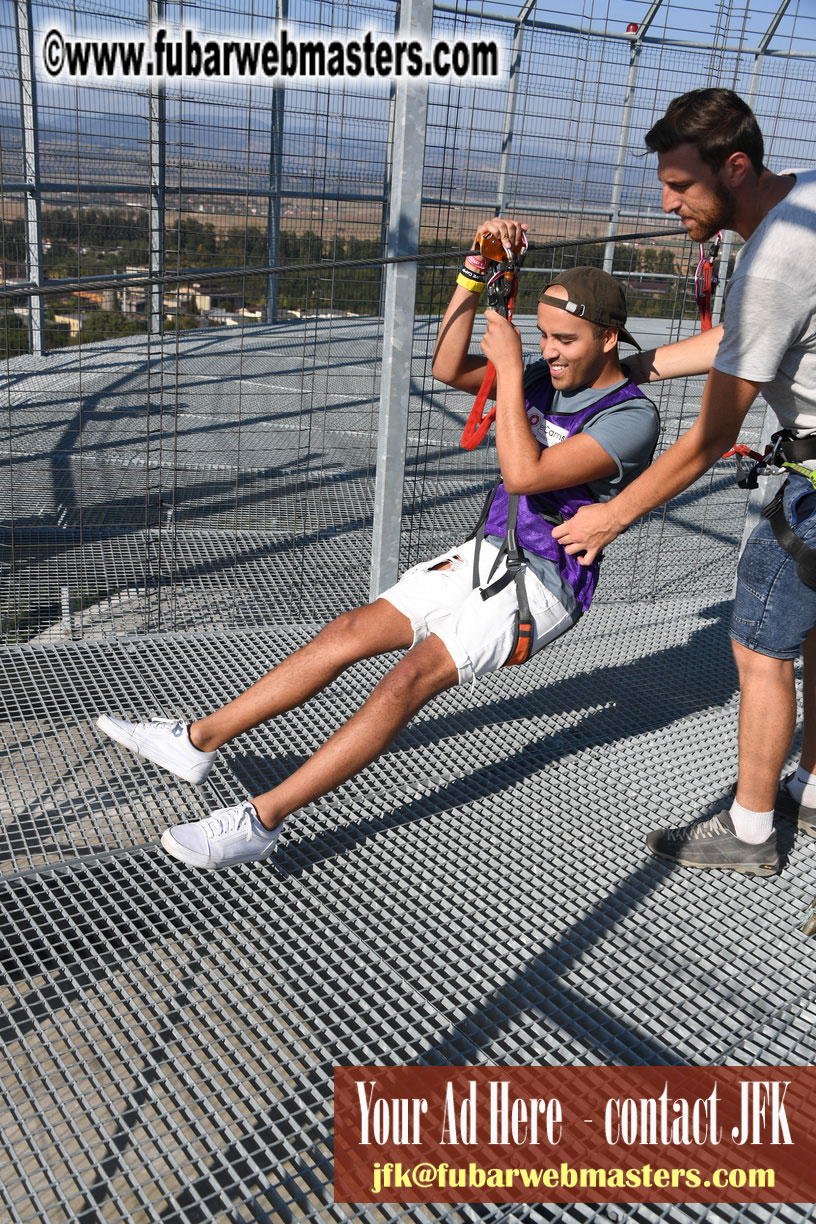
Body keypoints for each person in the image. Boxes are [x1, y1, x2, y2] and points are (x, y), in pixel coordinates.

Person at [96, 220, 659, 869]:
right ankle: (197, 740)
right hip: (488, 551)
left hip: (545, 582)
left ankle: (261, 820)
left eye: (566, 340)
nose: (550, 352)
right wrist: (475, 274)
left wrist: (509, 370)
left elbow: (524, 473)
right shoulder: (540, 377)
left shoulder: (630, 417)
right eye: (542, 338)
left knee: (407, 680)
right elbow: (448, 365)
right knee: (348, 630)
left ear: (609, 339)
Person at [553, 87, 816, 875]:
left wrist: (611, 518)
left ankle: (749, 830)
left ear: (735, 166)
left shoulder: (770, 264)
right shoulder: (803, 198)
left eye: (680, 187)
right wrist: (636, 366)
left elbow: (712, 438)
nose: (667, 203)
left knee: (761, 650)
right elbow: (745, 341)